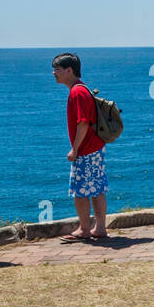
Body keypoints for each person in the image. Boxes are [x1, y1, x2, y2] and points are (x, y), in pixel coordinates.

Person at [54, 53, 108, 240]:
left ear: (69, 70)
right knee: (96, 189)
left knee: (80, 190)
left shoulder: (77, 92)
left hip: (86, 150)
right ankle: (99, 228)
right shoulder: (83, 89)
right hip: (95, 148)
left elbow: (83, 123)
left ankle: (85, 229)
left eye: (57, 70)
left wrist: (74, 149)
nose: (54, 73)